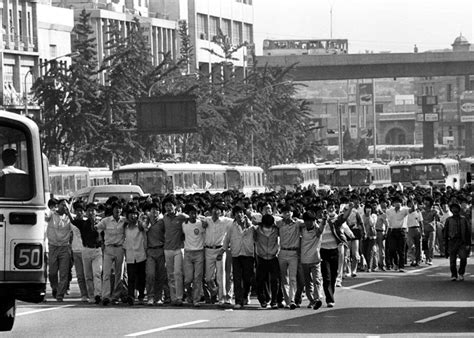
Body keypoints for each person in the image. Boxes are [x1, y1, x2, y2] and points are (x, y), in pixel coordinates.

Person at [222, 205, 255, 309]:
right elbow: (227, 238)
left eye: (241, 212)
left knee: (247, 278)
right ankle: (238, 301)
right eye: (237, 213)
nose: (239, 215)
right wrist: (222, 250)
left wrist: (250, 224)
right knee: (237, 278)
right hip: (236, 254)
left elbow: (257, 234)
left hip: (248, 254)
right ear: (234, 215)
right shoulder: (231, 226)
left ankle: (246, 295)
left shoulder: (250, 225)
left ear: (244, 214)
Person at [320, 202, 353, 308]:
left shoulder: (336, 221)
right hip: (323, 251)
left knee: (333, 275)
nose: (331, 209)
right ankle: (329, 299)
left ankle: (331, 294)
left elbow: (345, 216)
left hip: (334, 251)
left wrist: (350, 207)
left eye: (333, 208)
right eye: (329, 208)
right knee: (327, 277)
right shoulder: (320, 221)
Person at [201, 202, 234, 306]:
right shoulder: (207, 220)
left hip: (220, 250)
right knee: (208, 277)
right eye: (214, 209)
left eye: (218, 209)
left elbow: (237, 221)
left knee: (221, 275)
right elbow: (195, 218)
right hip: (208, 250)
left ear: (221, 211)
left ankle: (221, 298)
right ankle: (214, 290)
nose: (216, 211)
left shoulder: (226, 221)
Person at [95, 201, 127, 306]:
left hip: (120, 249)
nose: (118, 210)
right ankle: (106, 296)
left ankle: (116, 296)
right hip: (108, 249)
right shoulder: (106, 221)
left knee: (119, 274)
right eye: (116, 208)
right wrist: (101, 240)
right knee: (106, 274)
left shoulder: (124, 221)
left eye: (120, 208)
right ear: (112, 210)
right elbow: (97, 228)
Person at [71, 202, 103, 304]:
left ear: (96, 212)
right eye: (89, 210)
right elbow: (73, 221)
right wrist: (68, 212)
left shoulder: (101, 223)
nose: (91, 212)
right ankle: (91, 296)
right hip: (86, 250)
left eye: (93, 210)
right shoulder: (82, 223)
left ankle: (98, 294)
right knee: (88, 276)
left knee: (97, 273)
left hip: (97, 251)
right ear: (86, 212)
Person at [158, 195, 187, 306]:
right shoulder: (163, 218)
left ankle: (179, 297)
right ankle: (173, 297)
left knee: (178, 273)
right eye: (166, 205)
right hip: (167, 249)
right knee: (170, 275)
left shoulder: (182, 217)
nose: (168, 207)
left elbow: (196, 219)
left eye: (170, 205)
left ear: (175, 206)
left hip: (179, 249)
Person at [275, 204, 302, 309]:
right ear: (282, 213)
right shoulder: (279, 224)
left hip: (293, 253)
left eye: (289, 212)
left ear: (292, 213)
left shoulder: (298, 223)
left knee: (292, 278)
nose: (287, 214)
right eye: (285, 212)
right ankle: (287, 300)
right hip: (282, 252)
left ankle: (292, 300)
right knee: (283, 278)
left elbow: (310, 223)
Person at [46, 199, 73, 302]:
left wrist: (69, 213)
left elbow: (75, 223)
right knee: (52, 272)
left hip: (65, 248)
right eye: (62, 205)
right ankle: (55, 288)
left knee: (64, 273)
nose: (64, 207)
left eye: (66, 205)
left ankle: (60, 295)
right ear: (58, 206)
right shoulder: (52, 214)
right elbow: (45, 217)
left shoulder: (70, 217)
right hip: (53, 246)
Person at [143, 202, 170, 306]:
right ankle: (150, 296)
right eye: (152, 209)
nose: (154, 212)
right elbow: (142, 227)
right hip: (150, 251)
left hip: (161, 250)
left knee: (161, 275)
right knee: (150, 274)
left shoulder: (162, 221)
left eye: (156, 210)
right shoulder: (146, 220)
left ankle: (158, 297)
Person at [300, 210, 325, 310]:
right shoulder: (302, 229)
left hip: (315, 259)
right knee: (307, 282)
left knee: (317, 280)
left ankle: (317, 298)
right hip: (304, 260)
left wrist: (324, 220)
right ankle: (312, 300)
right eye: (307, 221)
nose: (309, 223)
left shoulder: (317, 230)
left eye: (311, 220)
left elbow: (321, 229)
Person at [254, 214, 280, 309]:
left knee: (275, 280)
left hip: (273, 257)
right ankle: (262, 299)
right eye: (266, 226)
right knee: (260, 280)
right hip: (261, 257)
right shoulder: (257, 230)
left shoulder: (276, 230)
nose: (268, 227)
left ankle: (274, 301)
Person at [182, 204, 206, 307]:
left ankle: (196, 299)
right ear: (188, 214)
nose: (193, 215)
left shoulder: (201, 224)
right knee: (188, 279)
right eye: (191, 213)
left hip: (199, 252)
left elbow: (207, 221)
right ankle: (189, 295)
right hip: (188, 253)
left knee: (197, 277)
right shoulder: (184, 224)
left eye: (195, 213)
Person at [124, 205, 147, 305]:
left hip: (141, 254)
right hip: (130, 255)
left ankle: (141, 295)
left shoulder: (140, 226)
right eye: (131, 214)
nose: (133, 216)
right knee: (131, 277)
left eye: (135, 214)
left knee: (141, 276)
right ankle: (131, 296)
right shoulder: (125, 227)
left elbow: (147, 226)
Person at [443, 202, 472, 281]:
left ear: (459, 209)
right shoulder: (449, 220)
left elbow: (468, 232)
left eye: (456, 208)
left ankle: (461, 273)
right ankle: (454, 274)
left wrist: (468, 243)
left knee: (463, 258)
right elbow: (445, 232)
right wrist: (445, 243)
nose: (454, 210)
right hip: (452, 241)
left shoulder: (463, 219)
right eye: (453, 208)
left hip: (462, 241)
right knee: (452, 260)